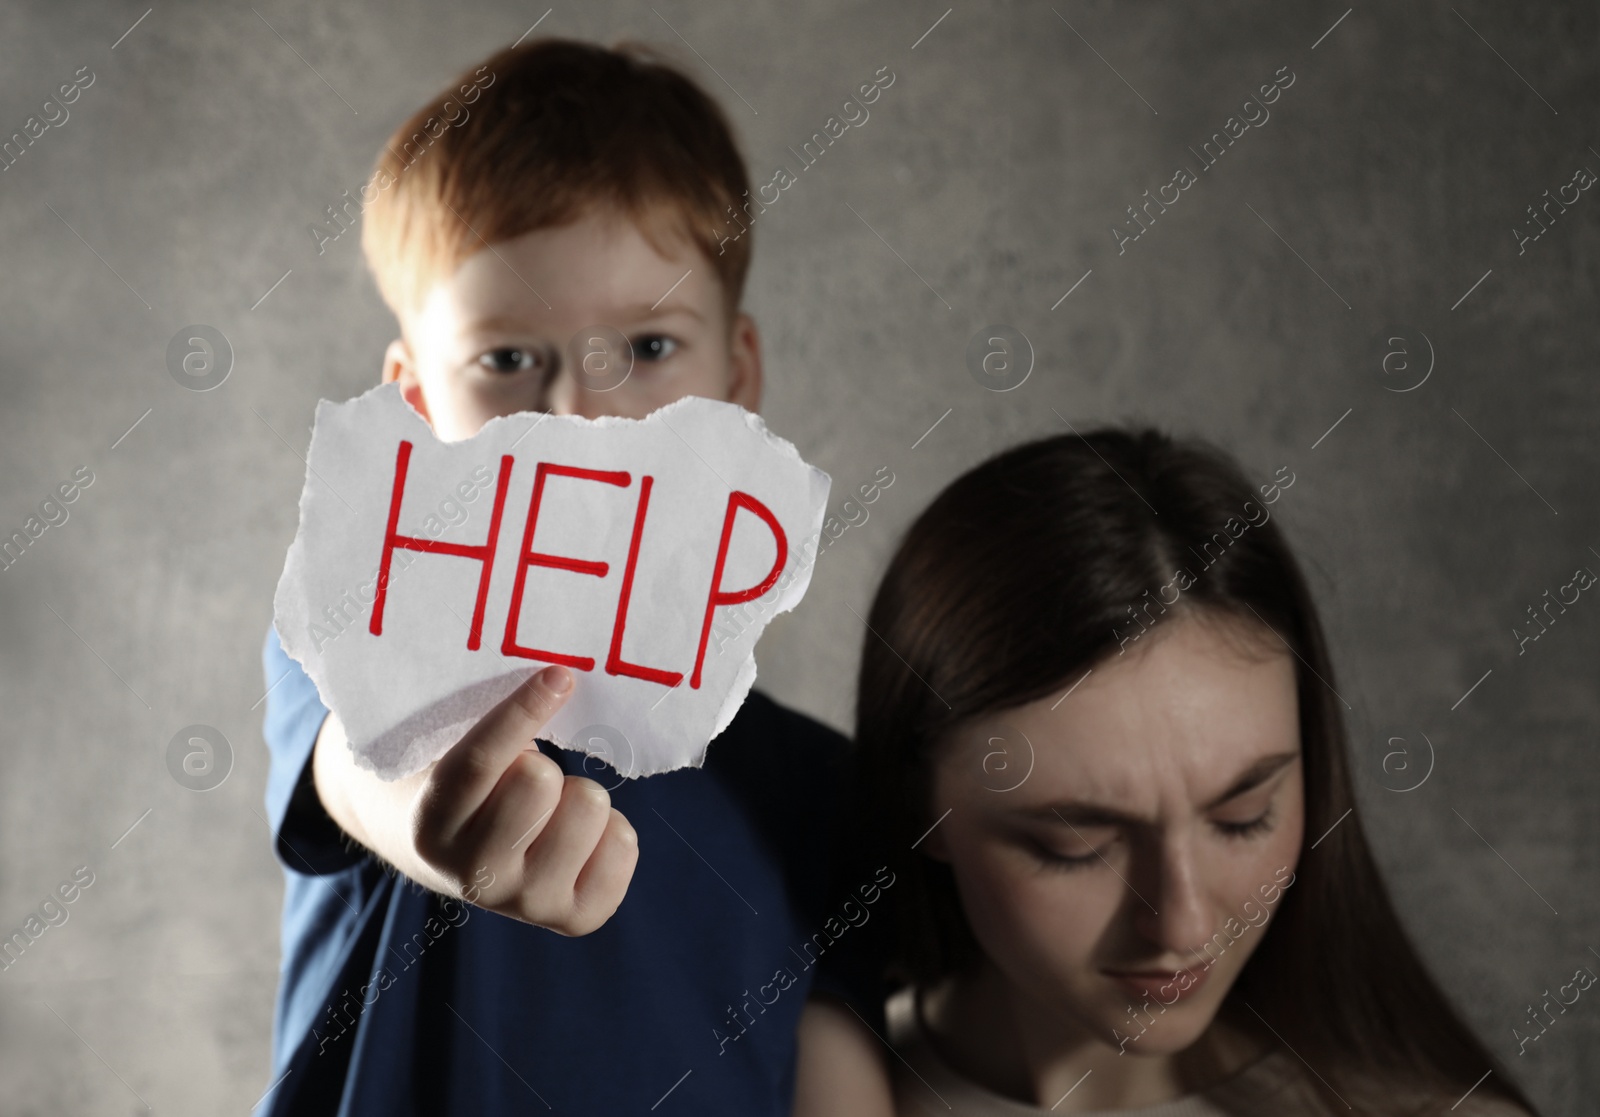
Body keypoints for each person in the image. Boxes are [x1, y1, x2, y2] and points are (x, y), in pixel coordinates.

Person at [260, 37, 892, 1115]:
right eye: (507, 361)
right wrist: (422, 810)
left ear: (737, 379)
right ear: (414, 406)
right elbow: (359, 770)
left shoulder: (821, 795)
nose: (580, 424)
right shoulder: (359, 632)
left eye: (647, 348)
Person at [848, 428, 1542, 1115]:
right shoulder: (787, 1074)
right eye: (1077, 845)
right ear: (919, 803)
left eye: (1243, 818)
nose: (1182, 923)